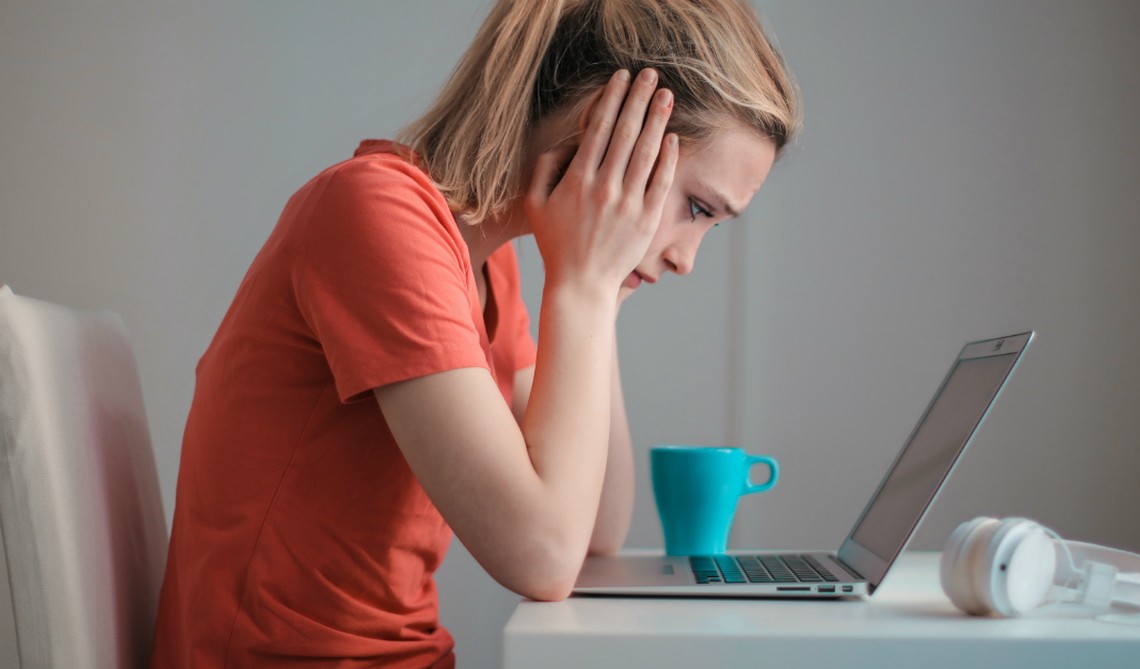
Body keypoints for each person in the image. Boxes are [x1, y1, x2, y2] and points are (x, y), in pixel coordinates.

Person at [150, 0, 800, 666]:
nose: (687, 258)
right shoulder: (376, 216)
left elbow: (594, 532)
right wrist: (582, 288)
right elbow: (542, 554)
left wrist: (598, 294)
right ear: (603, 131)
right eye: (696, 208)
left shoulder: (489, 268)